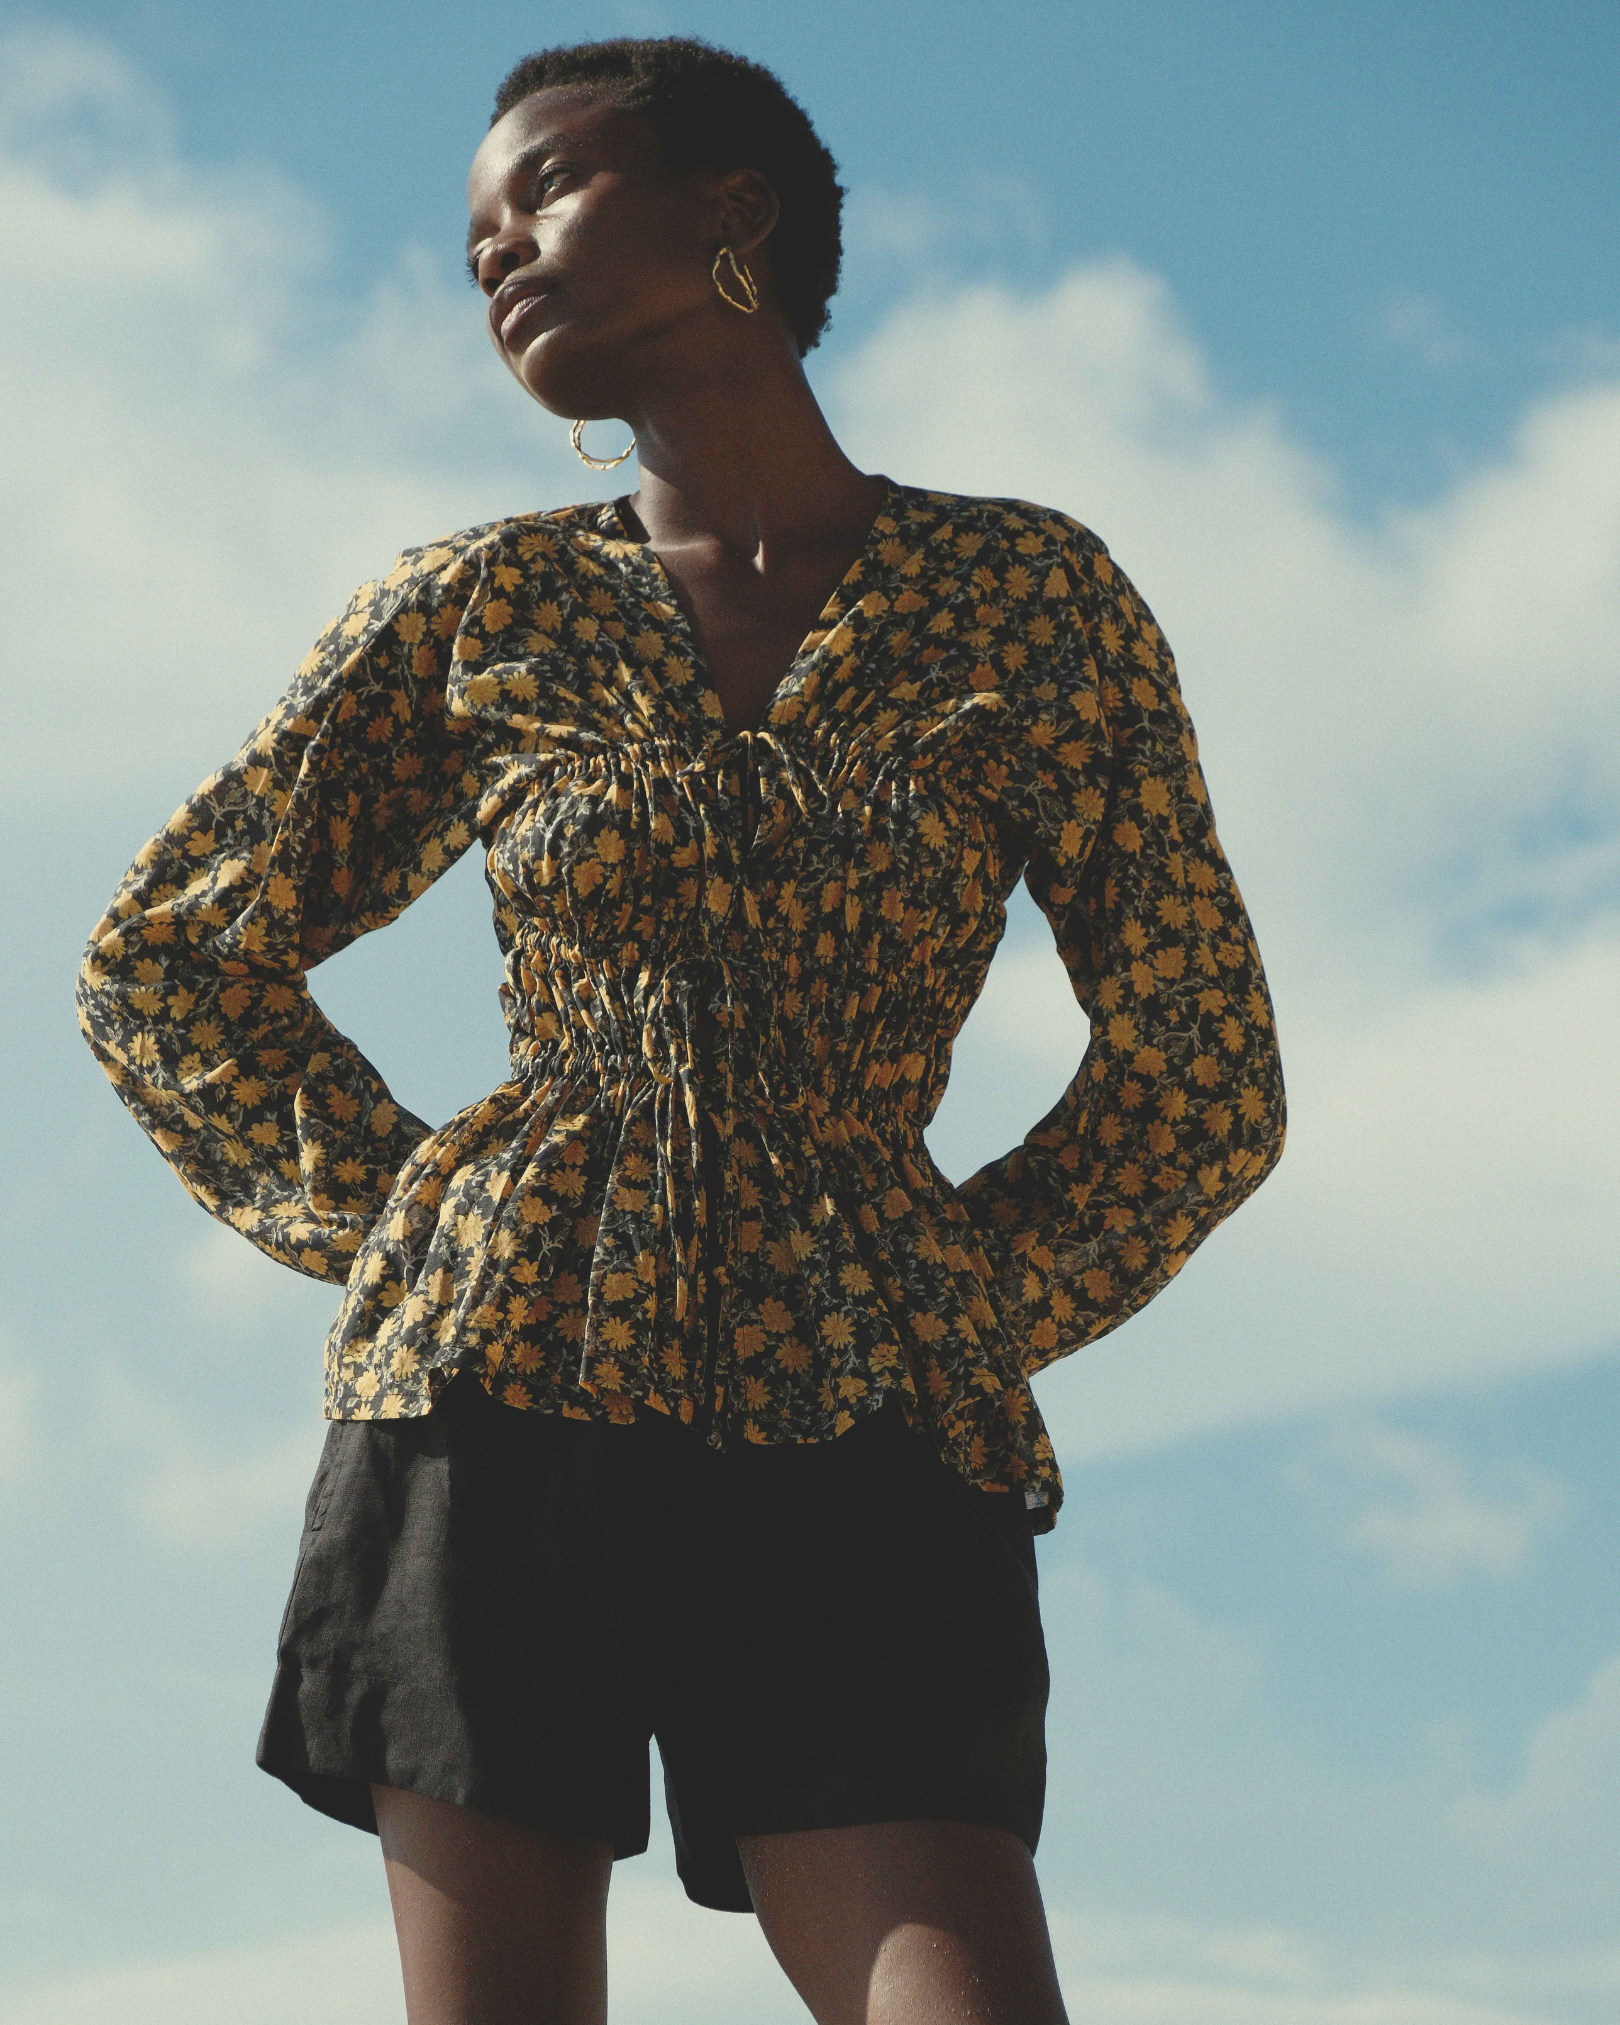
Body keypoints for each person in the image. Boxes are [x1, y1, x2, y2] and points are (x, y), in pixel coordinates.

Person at [75, 33, 1286, 2025]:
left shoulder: (1028, 599)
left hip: (870, 1395)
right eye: (476, 239)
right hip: (493, 1387)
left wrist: (952, 1292)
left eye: (542, 188)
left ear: (737, 216)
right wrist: (415, 1222)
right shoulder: (473, 609)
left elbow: (1202, 1068)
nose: (496, 255)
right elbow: (166, 954)